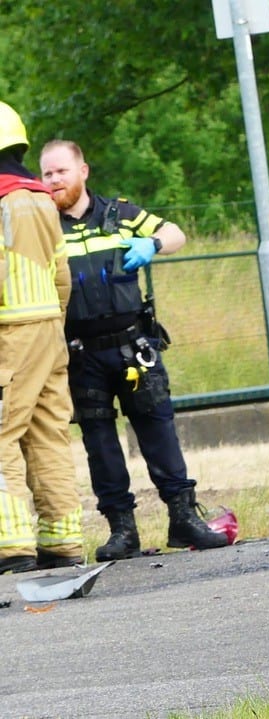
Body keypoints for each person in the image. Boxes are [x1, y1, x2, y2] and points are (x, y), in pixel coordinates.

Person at [38, 139, 229, 561]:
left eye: (60, 172)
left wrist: (153, 245)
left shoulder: (120, 213)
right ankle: (122, 530)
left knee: (158, 431)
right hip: (79, 353)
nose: (53, 180)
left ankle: (183, 519)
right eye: (47, 173)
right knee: (99, 443)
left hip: (132, 345)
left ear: (82, 171)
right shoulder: (43, 224)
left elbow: (175, 232)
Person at [0, 105, 86, 573]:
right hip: (50, 330)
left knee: (1, 435)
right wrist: (53, 324)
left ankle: (10, 544)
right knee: (49, 434)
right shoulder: (40, 197)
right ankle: (62, 540)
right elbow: (62, 274)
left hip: (9, 336)